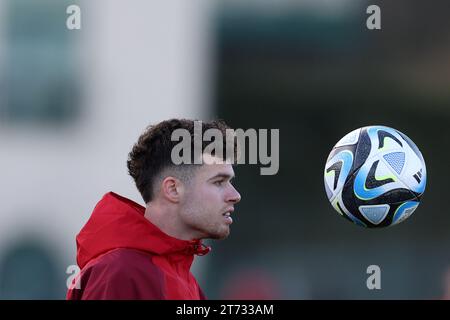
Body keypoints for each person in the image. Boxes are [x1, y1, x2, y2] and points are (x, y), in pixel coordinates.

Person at [66, 119, 241, 300]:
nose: (235, 195)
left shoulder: (187, 282)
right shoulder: (119, 273)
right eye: (219, 182)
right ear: (173, 189)